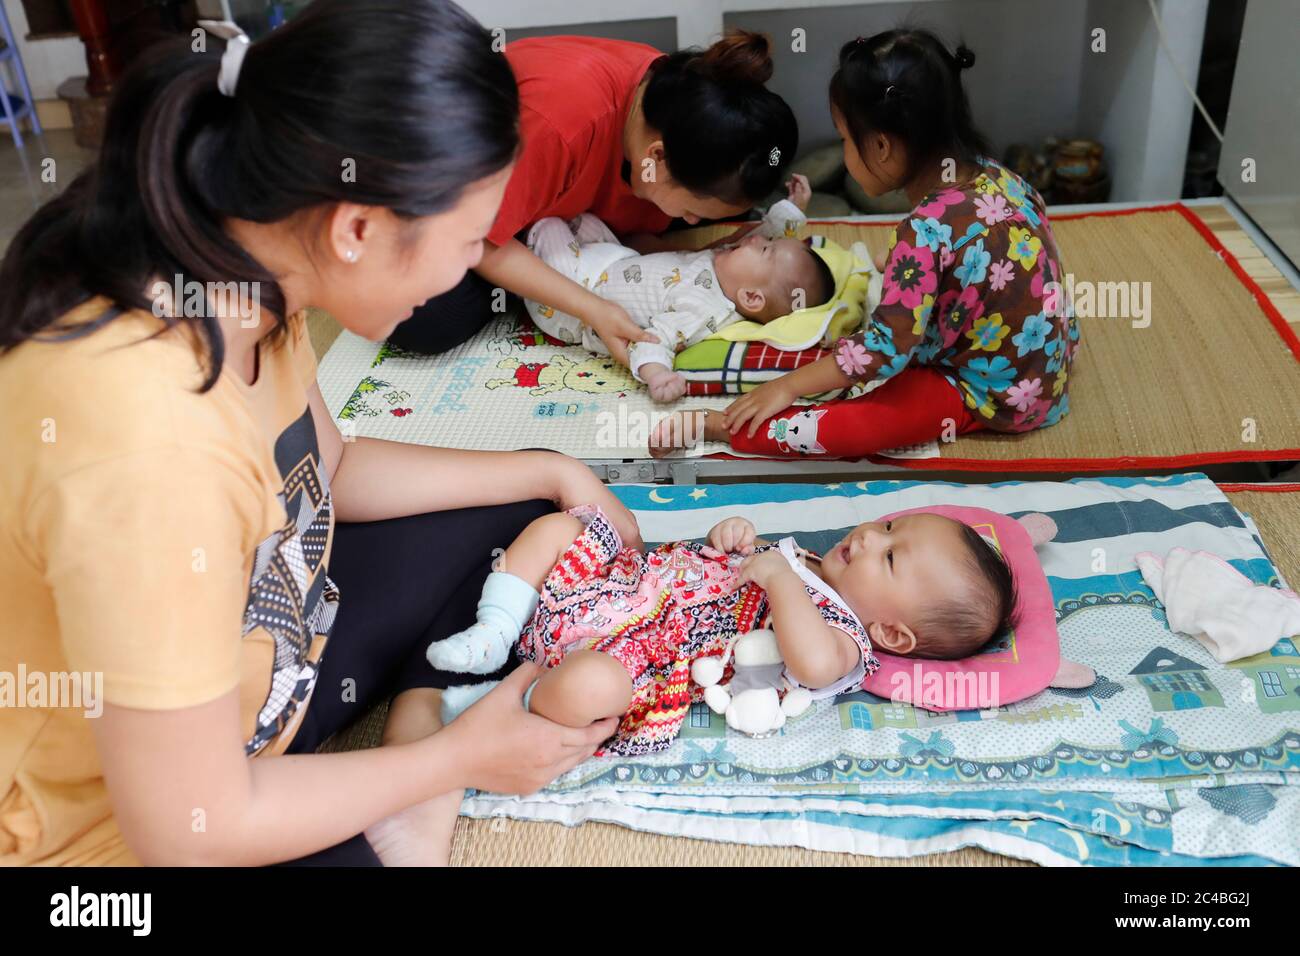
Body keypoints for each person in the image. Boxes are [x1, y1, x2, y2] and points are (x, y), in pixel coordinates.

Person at [0, 0, 636, 868]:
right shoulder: (146, 447)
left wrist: (554, 465)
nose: (472, 267)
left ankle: (406, 770)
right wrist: (451, 758)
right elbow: (194, 832)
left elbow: (325, 470)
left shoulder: (253, 274)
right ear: (358, 230)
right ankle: (415, 780)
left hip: (265, 681)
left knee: (523, 504)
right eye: (468, 240)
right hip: (131, 829)